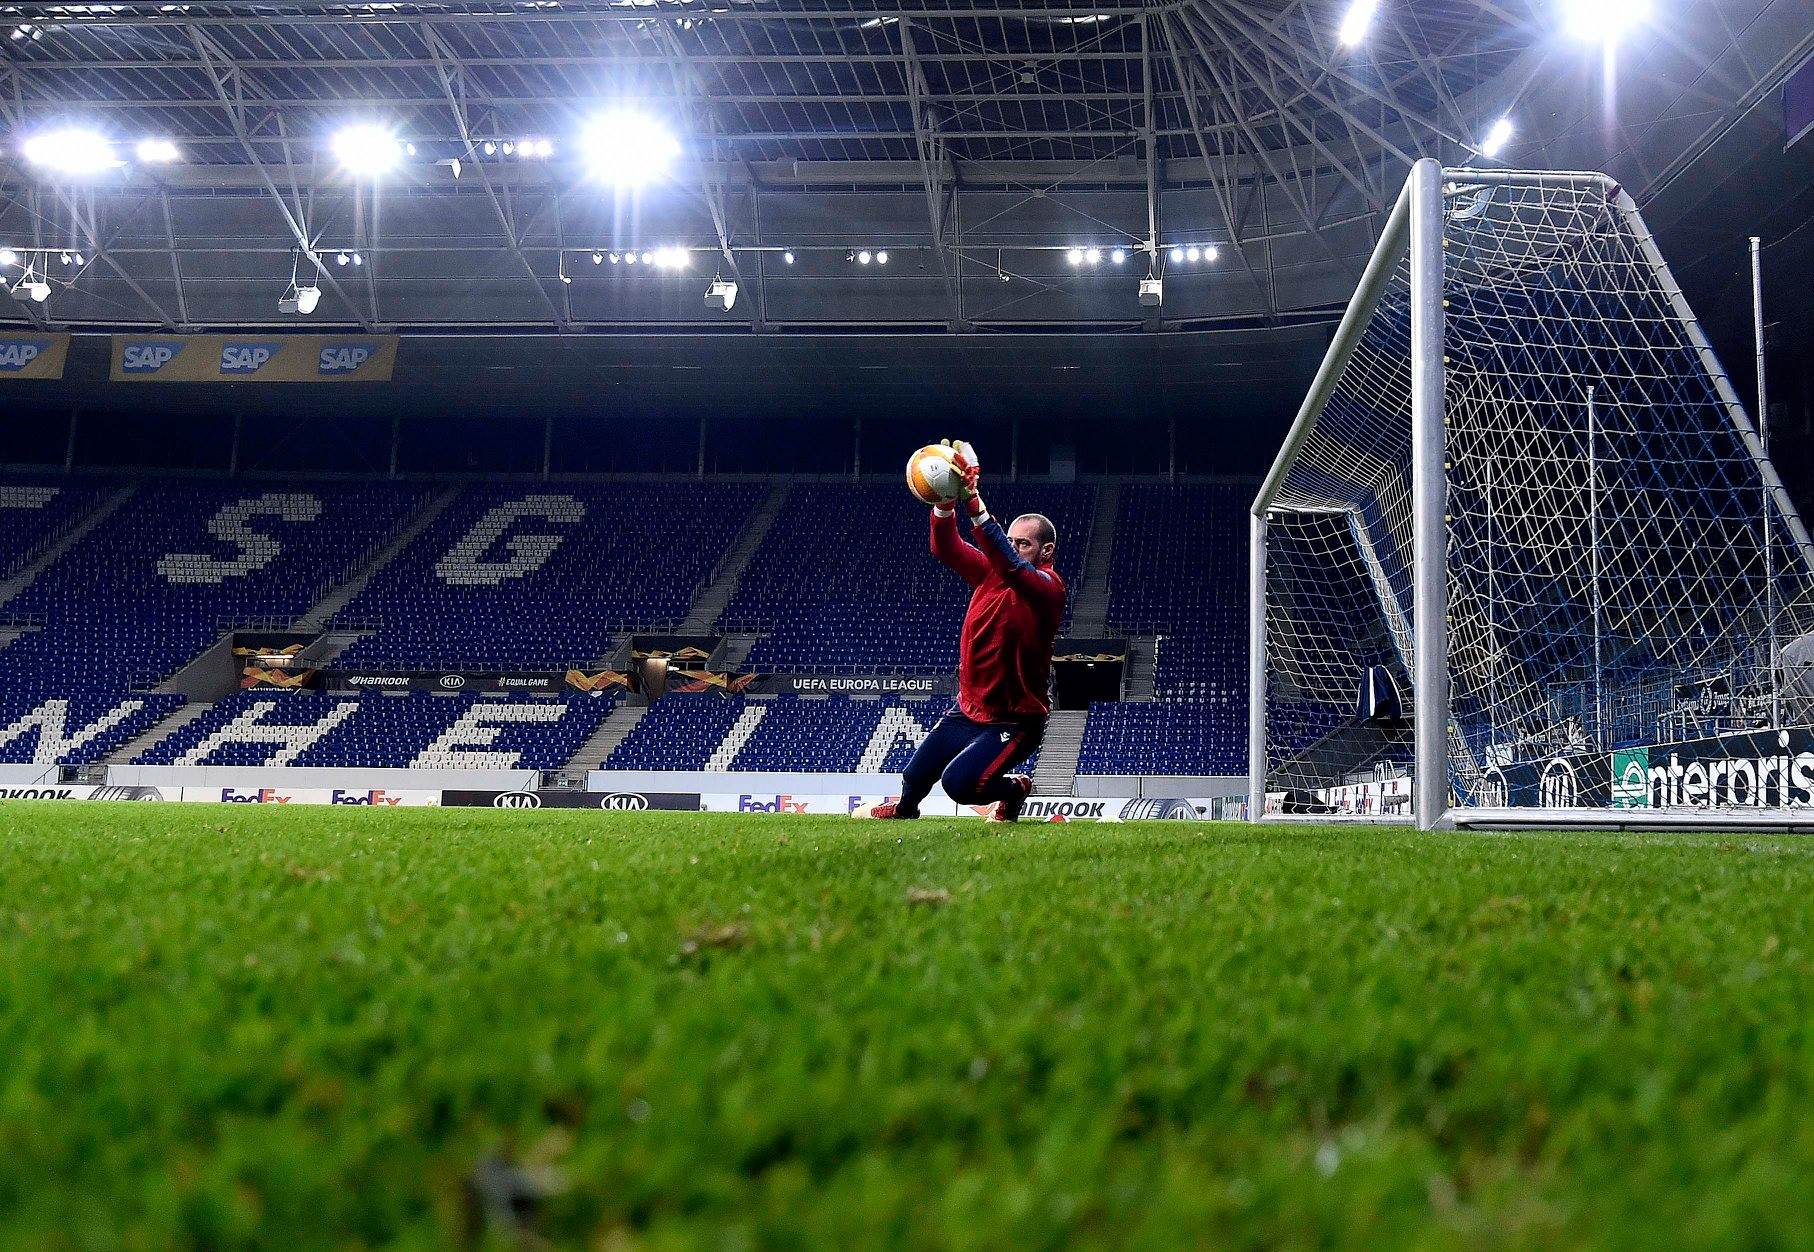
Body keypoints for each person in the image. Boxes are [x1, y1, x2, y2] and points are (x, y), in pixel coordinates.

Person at [867, 441, 1067, 822]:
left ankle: (1014, 790)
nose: (1012, 548)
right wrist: (945, 502)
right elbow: (946, 547)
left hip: (1016, 718)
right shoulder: (990, 572)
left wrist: (974, 501)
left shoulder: (1048, 588)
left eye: (1022, 543)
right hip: (970, 707)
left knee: (959, 784)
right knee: (914, 775)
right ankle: (904, 811)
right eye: (1010, 540)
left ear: (1046, 550)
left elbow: (1012, 568)